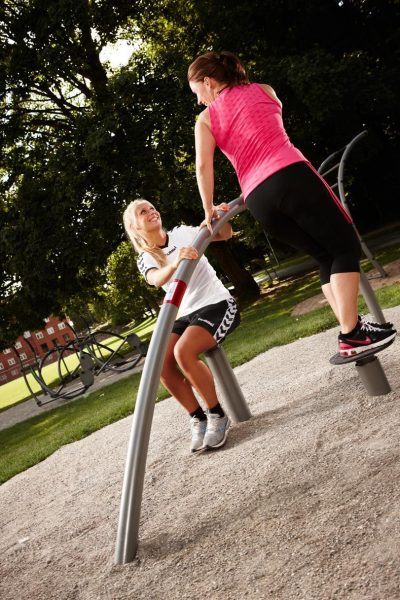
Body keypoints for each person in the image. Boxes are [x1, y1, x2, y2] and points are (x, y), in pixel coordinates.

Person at [187, 50, 396, 357]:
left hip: (258, 198)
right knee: (345, 247)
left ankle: (351, 330)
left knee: (324, 256)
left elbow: (203, 167)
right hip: (290, 176)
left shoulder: (205, 120)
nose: (199, 101)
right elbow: (265, 125)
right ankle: (351, 334)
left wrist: (208, 207)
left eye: (197, 92)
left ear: (207, 81)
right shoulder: (264, 91)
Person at [123, 198, 240, 452]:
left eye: (153, 207)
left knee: (183, 352)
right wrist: (176, 263)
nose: (152, 211)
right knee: (159, 363)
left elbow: (224, 234)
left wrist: (221, 215)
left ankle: (217, 414)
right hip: (183, 315)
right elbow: (156, 279)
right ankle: (197, 416)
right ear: (135, 227)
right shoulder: (146, 257)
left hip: (217, 304)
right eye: (143, 212)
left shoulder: (184, 233)